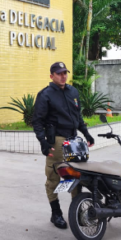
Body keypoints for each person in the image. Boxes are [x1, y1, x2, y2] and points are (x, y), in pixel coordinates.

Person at [32, 62, 95, 229]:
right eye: (59, 73)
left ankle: (77, 213)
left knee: (76, 177)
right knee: (53, 179)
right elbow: (37, 121)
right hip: (57, 141)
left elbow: (78, 117)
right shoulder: (45, 95)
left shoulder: (73, 92)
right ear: (52, 76)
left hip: (74, 141)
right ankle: (56, 214)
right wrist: (43, 143)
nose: (63, 76)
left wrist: (86, 133)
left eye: (65, 73)